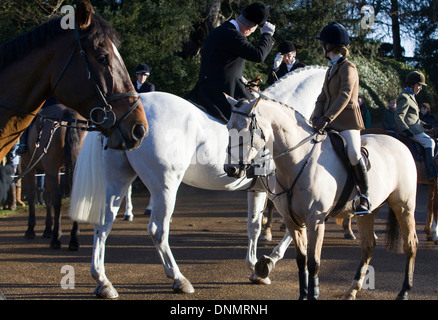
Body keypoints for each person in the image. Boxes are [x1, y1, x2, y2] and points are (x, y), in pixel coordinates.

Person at [311, 22, 370, 215]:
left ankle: (364, 196)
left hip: (347, 122)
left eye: (323, 44)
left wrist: (326, 118)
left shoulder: (348, 67)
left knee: (353, 153)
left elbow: (345, 96)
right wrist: (315, 117)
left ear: (328, 46)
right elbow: (322, 96)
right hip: (327, 121)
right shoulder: (330, 69)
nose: (322, 47)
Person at [185, 2, 275, 123]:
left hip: (203, 90)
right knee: (256, 119)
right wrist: (267, 35)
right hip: (222, 95)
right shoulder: (233, 35)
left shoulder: (219, 30)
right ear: (251, 27)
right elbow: (258, 55)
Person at [394, 71, 437, 180]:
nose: (420, 88)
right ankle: (431, 172)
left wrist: (425, 125)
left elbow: (413, 117)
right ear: (412, 85)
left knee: (432, 139)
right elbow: (399, 116)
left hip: (416, 127)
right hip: (410, 130)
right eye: (419, 85)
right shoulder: (404, 96)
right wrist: (405, 130)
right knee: (429, 142)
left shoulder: (411, 96)